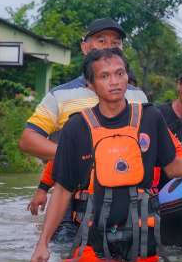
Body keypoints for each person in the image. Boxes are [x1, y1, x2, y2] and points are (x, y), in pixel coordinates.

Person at [30, 49, 182, 262]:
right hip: (91, 240)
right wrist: (42, 243)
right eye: (104, 76)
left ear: (127, 77)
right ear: (91, 84)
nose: (114, 82)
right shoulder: (76, 127)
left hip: (141, 240)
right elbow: (62, 190)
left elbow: (174, 167)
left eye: (120, 73)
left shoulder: (150, 118)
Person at [21, 18, 148, 218]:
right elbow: (28, 140)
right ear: (85, 47)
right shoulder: (60, 95)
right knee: (65, 248)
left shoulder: (138, 97)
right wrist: (79, 156)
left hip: (127, 198)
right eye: (101, 40)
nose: (109, 48)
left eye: (116, 43)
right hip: (72, 200)